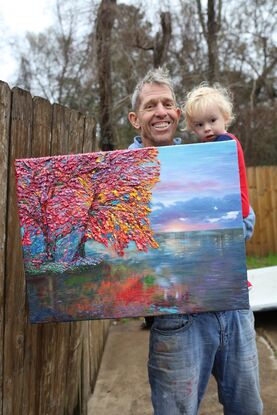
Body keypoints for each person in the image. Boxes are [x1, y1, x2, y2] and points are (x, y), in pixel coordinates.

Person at [128, 67, 263, 415]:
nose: (160, 111)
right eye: (150, 105)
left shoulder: (201, 157)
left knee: (248, 406)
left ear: (177, 114)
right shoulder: (122, 173)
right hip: (177, 318)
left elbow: (244, 225)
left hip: (231, 306)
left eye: (168, 103)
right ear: (135, 118)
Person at [182, 83, 253, 289]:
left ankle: (238, 279)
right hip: (227, 207)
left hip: (237, 207)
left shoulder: (225, 141)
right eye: (199, 125)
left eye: (212, 120)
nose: (206, 128)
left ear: (226, 118)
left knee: (225, 247)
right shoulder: (210, 145)